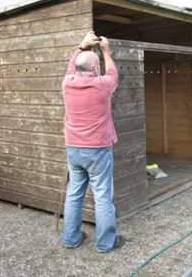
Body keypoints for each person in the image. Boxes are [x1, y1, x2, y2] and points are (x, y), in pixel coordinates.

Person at [61, 31, 125, 252]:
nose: (99, 68)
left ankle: (71, 239)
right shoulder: (102, 85)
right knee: (103, 197)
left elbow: (73, 64)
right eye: (96, 65)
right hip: (97, 150)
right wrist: (105, 51)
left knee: (74, 194)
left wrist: (82, 46)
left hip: (73, 149)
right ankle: (105, 244)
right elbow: (114, 73)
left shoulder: (67, 83)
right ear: (93, 69)